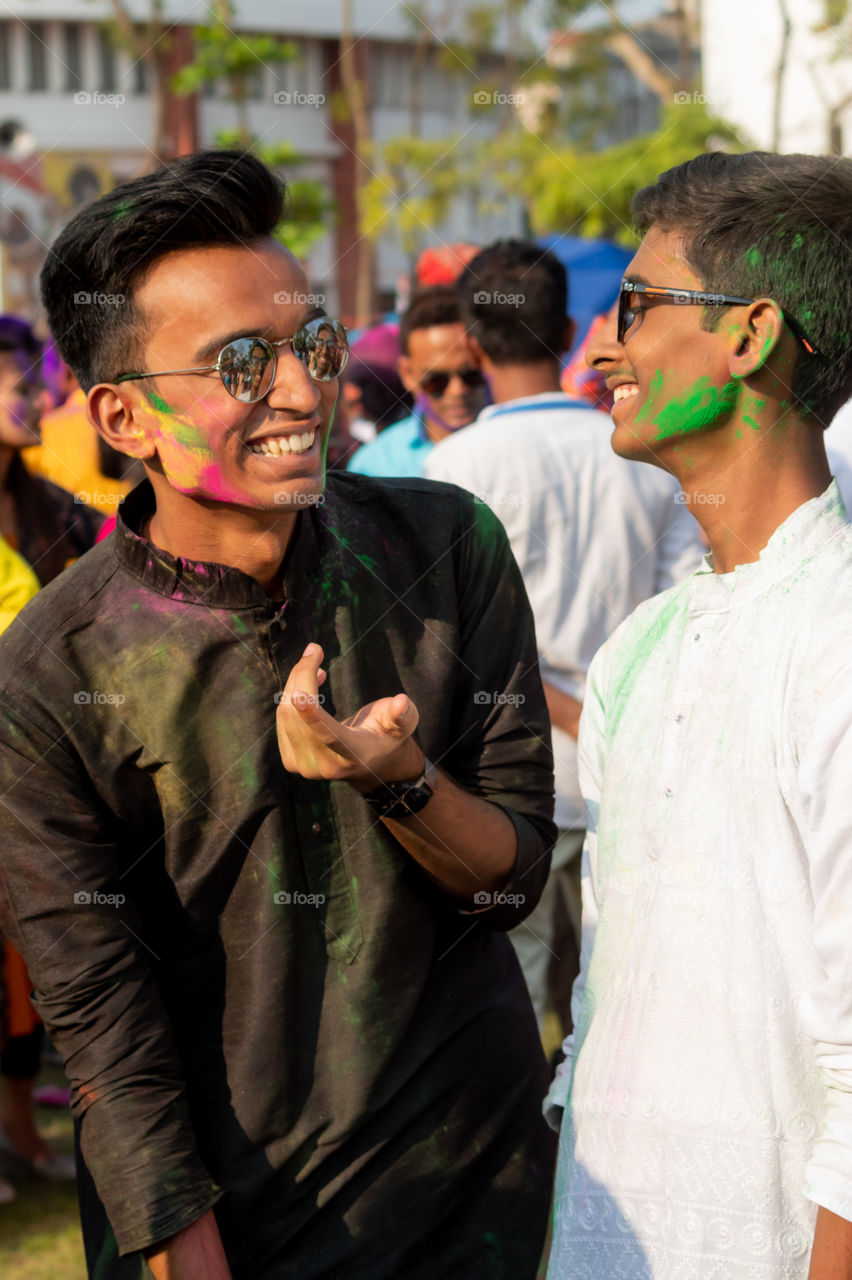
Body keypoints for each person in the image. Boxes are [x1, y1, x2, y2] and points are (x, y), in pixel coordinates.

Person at [0, 149, 556, 1279]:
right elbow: (104, 1022)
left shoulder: (445, 548)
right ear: (123, 414)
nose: (302, 392)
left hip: (476, 1196)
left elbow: (510, 881)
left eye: (311, 344)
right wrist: (185, 1249)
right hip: (234, 1223)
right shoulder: (51, 672)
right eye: (241, 364)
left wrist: (395, 778)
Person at [543, 150, 852, 1279]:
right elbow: (600, 1001)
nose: (601, 347)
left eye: (635, 305)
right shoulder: (640, 651)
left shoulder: (837, 636)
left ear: (750, 332)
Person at [425, 240, 703, 1031]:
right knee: (621, 1009)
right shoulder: (639, 450)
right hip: (631, 762)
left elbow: (447, 641)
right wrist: (594, 711)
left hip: (505, 782)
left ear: (473, 343)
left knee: (514, 1002)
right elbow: (684, 606)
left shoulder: (453, 466)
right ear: (575, 327)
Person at [0, 316, 104, 584]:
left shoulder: (48, 499)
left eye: (38, 387)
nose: (39, 403)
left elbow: (111, 538)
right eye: (23, 390)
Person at [347, 286, 489, 477]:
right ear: (407, 374)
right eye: (436, 380)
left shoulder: (515, 445)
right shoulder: (374, 467)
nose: (457, 390)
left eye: (470, 375)